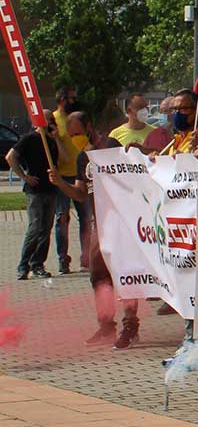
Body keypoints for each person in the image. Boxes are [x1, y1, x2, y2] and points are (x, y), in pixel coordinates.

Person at [49, 112, 140, 349]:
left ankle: (130, 325)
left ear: (89, 126)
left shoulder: (111, 146)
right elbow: (81, 192)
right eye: (71, 136)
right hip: (99, 224)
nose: (75, 138)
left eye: (77, 133)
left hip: (122, 222)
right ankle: (106, 325)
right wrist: (60, 183)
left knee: (125, 275)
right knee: (98, 276)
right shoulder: (82, 158)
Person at [8, 121, 59, 280]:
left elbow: (61, 162)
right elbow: (11, 157)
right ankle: (23, 266)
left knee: (46, 228)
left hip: (50, 189)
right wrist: (24, 177)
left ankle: (38, 264)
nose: (51, 123)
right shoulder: (29, 139)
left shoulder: (52, 141)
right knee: (35, 227)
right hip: (35, 191)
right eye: (48, 120)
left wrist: (57, 139)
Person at [50, 88, 81, 274]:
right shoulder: (52, 120)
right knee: (62, 219)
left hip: (81, 174)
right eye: (72, 99)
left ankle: (87, 258)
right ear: (63, 100)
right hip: (62, 176)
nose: (75, 101)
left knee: (86, 218)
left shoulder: (76, 118)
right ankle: (63, 259)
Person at [167, 90, 198, 154]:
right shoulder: (177, 139)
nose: (177, 113)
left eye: (183, 108)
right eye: (175, 109)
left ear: (197, 110)